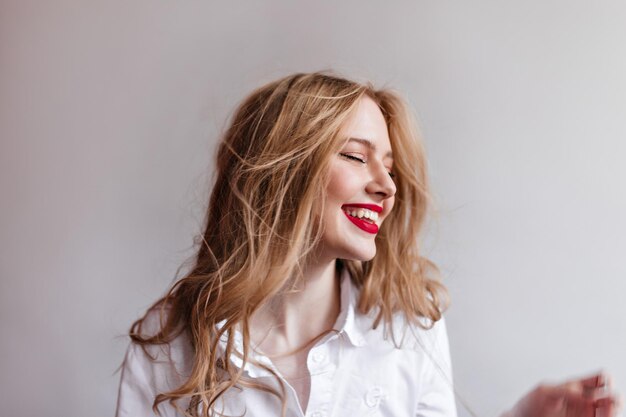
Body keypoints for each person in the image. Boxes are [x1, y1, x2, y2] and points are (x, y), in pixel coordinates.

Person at [115, 72, 619, 417]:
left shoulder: (408, 324)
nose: (387, 186)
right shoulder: (171, 340)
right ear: (282, 172)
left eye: (391, 168)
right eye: (357, 158)